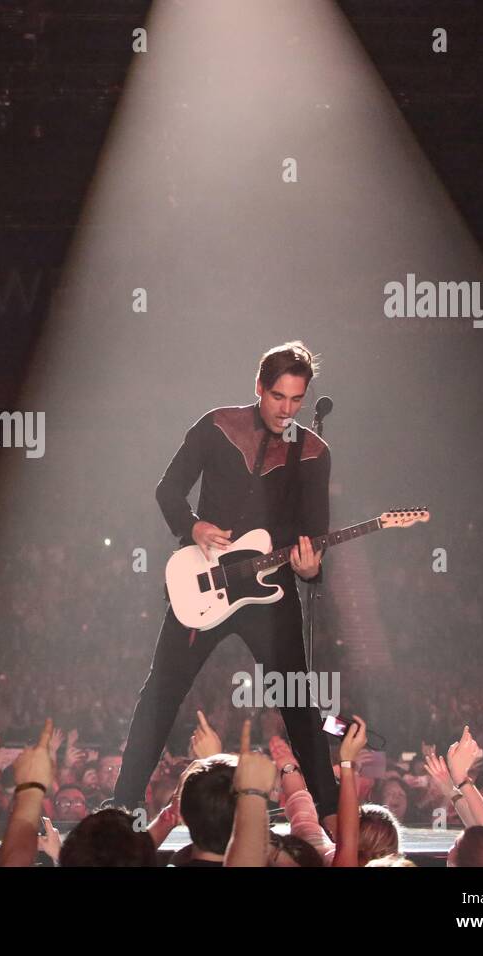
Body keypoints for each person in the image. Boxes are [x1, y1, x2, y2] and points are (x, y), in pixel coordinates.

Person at [113, 342, 338, 829]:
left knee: (297, 698)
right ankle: (120, 806)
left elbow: (313, 537)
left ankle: (334, 813)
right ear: (259, 387)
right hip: (206, 578)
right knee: (162, 692)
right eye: (278, 396)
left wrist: (308, 569)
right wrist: (192, 526)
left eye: (296, 399)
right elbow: (168, 489)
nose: (286, 409)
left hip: (268, 591)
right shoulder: (217, 425)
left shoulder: (314, 453)